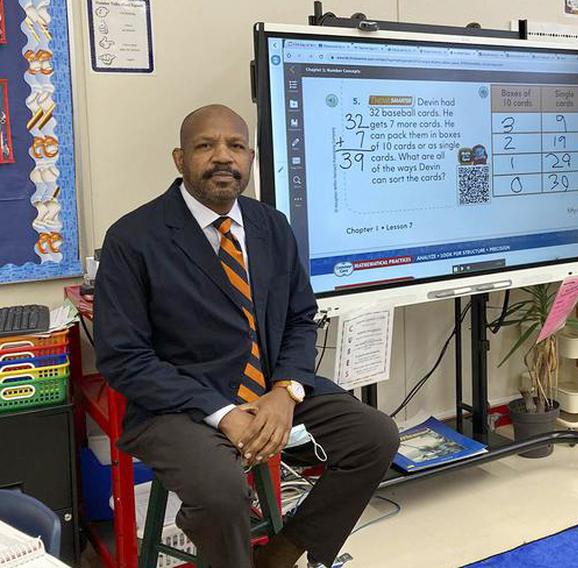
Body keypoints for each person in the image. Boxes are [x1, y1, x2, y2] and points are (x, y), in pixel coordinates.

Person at [94, 104, 400, 568]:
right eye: (205, 146)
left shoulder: (270, 225)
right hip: (178, 404)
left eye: (235, 146)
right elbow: (124, 359)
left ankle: (281, 554)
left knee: (374, 436)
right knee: (221, 493)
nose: (223, 157)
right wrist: (223, 414)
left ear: (251, 158)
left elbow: (301, 317)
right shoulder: (134, 238)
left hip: (269, 385)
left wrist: (286, 390)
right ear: (180, 159)